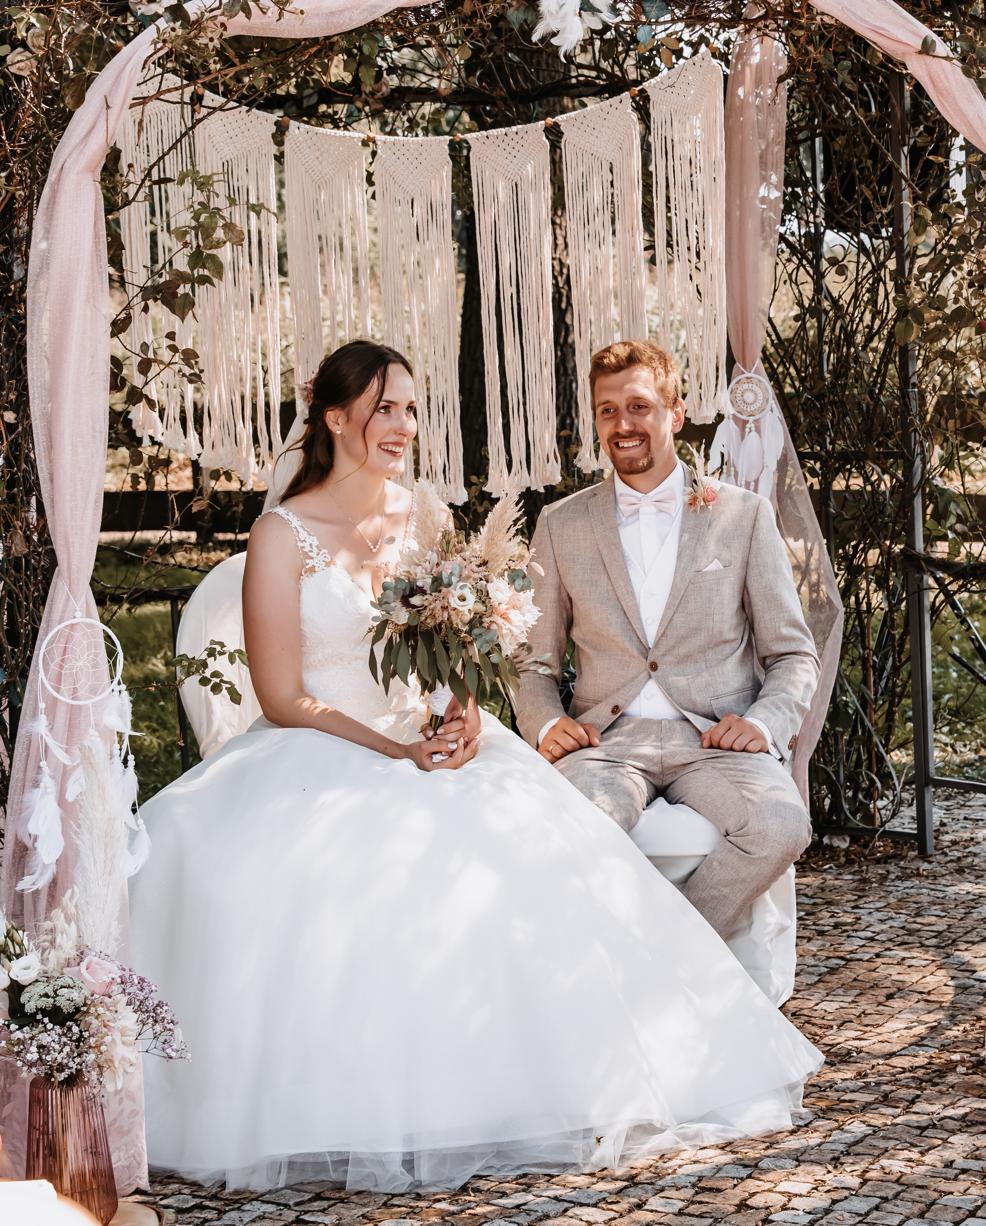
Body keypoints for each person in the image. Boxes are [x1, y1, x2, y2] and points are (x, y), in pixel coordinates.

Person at [130, 340, 822, 1192]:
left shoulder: (419, 516)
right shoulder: (281, 535)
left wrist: (459, 712)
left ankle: (639, 1013)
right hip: (324, 745)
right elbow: (281, 696)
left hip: (461, 738)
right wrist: (400, 748)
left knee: (538, 847)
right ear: (335, 417)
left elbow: (455, 652)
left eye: (411, 409)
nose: (402, 426)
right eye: (385, 408)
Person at [518, 340, 818, 940]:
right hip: (606, 743)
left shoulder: (744, 515)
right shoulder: (560, 524)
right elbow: (534, 661)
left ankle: (677, 952)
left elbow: (792, 653)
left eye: (638, 406)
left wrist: (760, 724)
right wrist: (548, 726)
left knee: (782, 826)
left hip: (713, 740)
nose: (622, 424)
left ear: (675, 414)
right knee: (575, 832)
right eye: (607, 410)